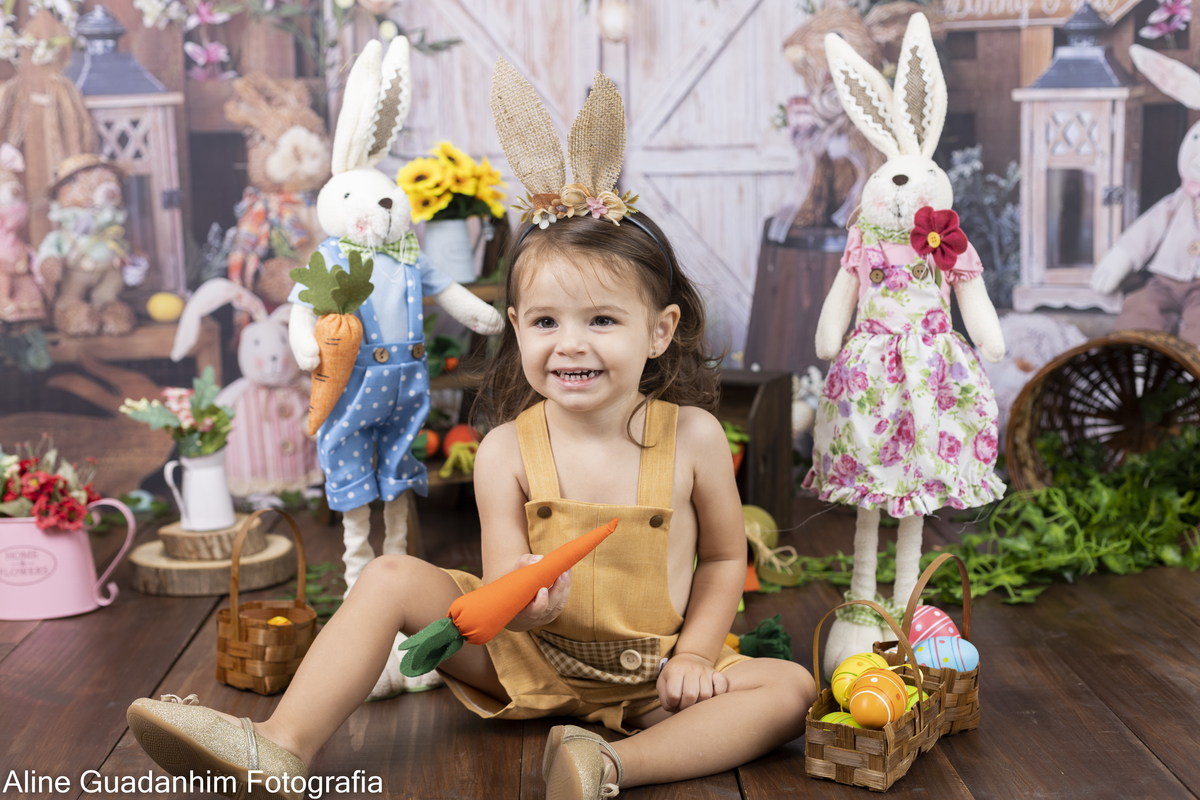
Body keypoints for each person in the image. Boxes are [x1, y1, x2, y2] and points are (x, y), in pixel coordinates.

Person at [125, 61, 815, 800]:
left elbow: (722, 559)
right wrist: (524, 598)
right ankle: (280, 745)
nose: (570, 344)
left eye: (602, 320)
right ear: (515, 326)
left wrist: (698, 657)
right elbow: (503, 575)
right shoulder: (506, 449)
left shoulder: (695, 438)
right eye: (545, 321)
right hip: (524, 660)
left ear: (659, 330)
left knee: (791, 690)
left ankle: (607, 763)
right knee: (389, 576)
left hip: (653, 677)